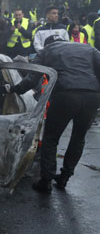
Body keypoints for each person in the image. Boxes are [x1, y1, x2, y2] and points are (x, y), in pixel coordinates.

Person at [6, 35, 100, 193]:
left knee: (51, 138)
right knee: (79, 138)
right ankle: (64, 178)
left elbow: (32, 79)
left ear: (47, 44)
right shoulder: (88, 48)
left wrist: (15, 89)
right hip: (92, 96)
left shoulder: (46, 51)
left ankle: (46, 181)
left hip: (66, 94)